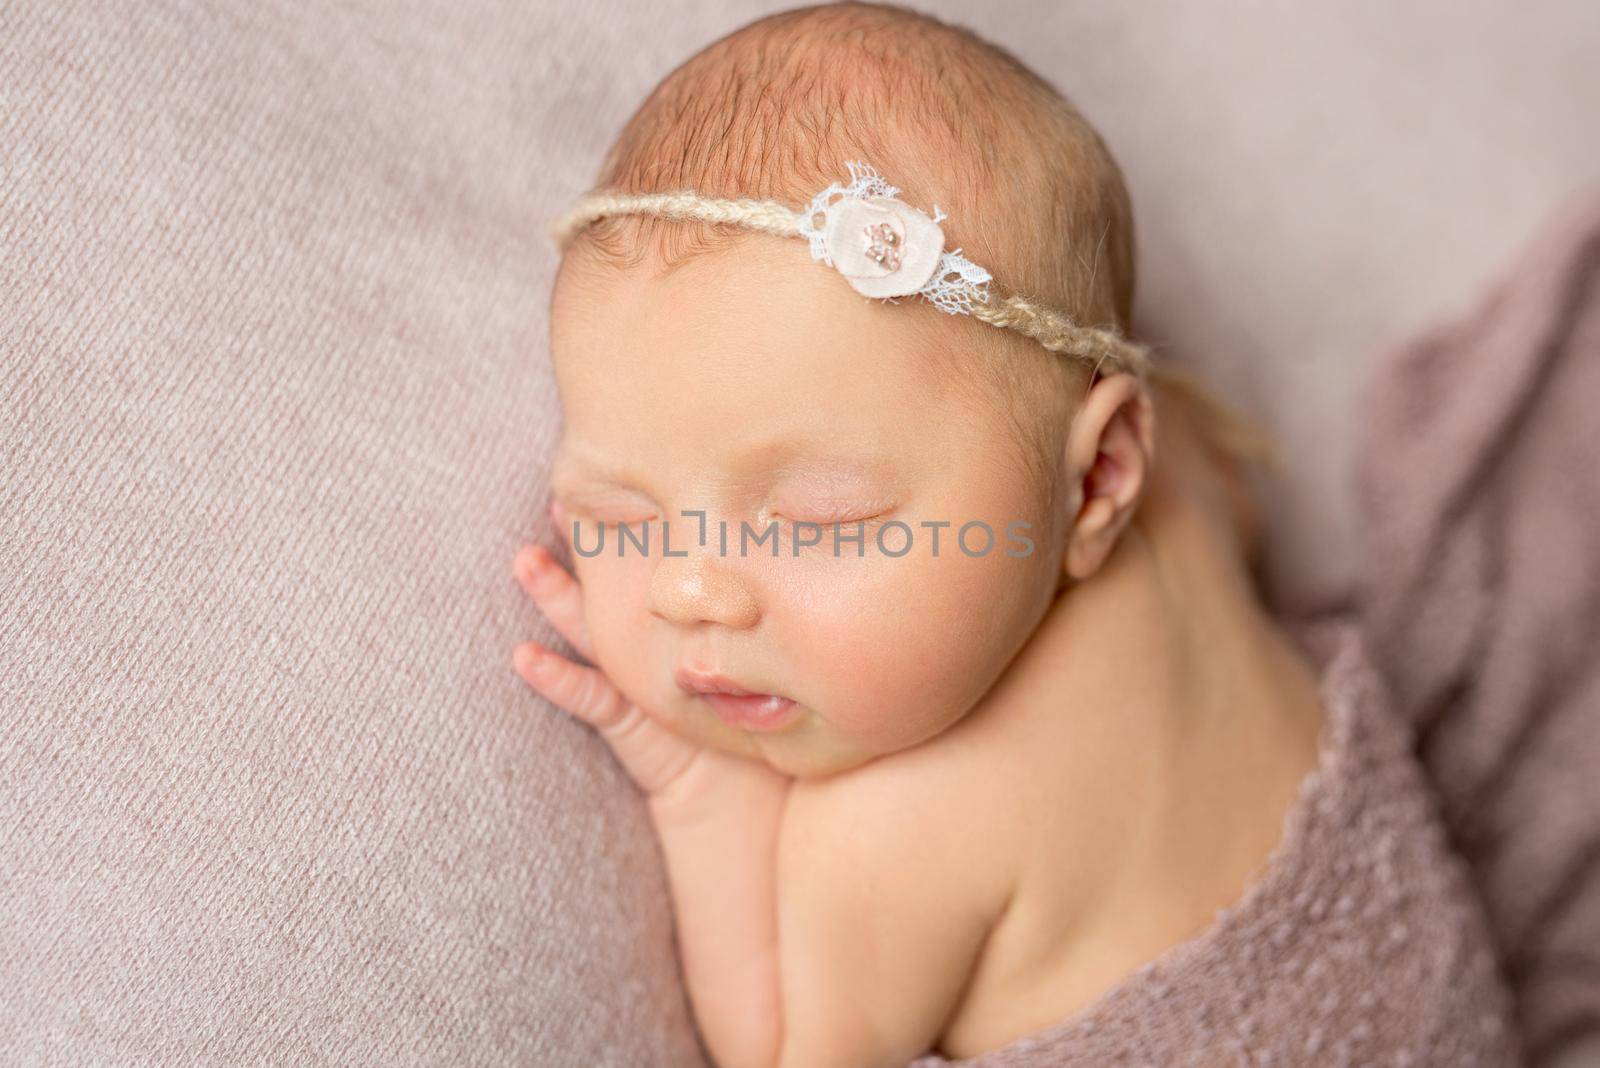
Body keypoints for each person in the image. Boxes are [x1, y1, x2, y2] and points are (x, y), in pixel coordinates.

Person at [511, 4, 1520, 1064]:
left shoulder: (887, 835)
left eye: (820, 520)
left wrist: (698, 787)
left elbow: (777, 1052)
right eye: (616, 519)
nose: (689, 593)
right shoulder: (1183, 483)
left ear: (1098, 476)